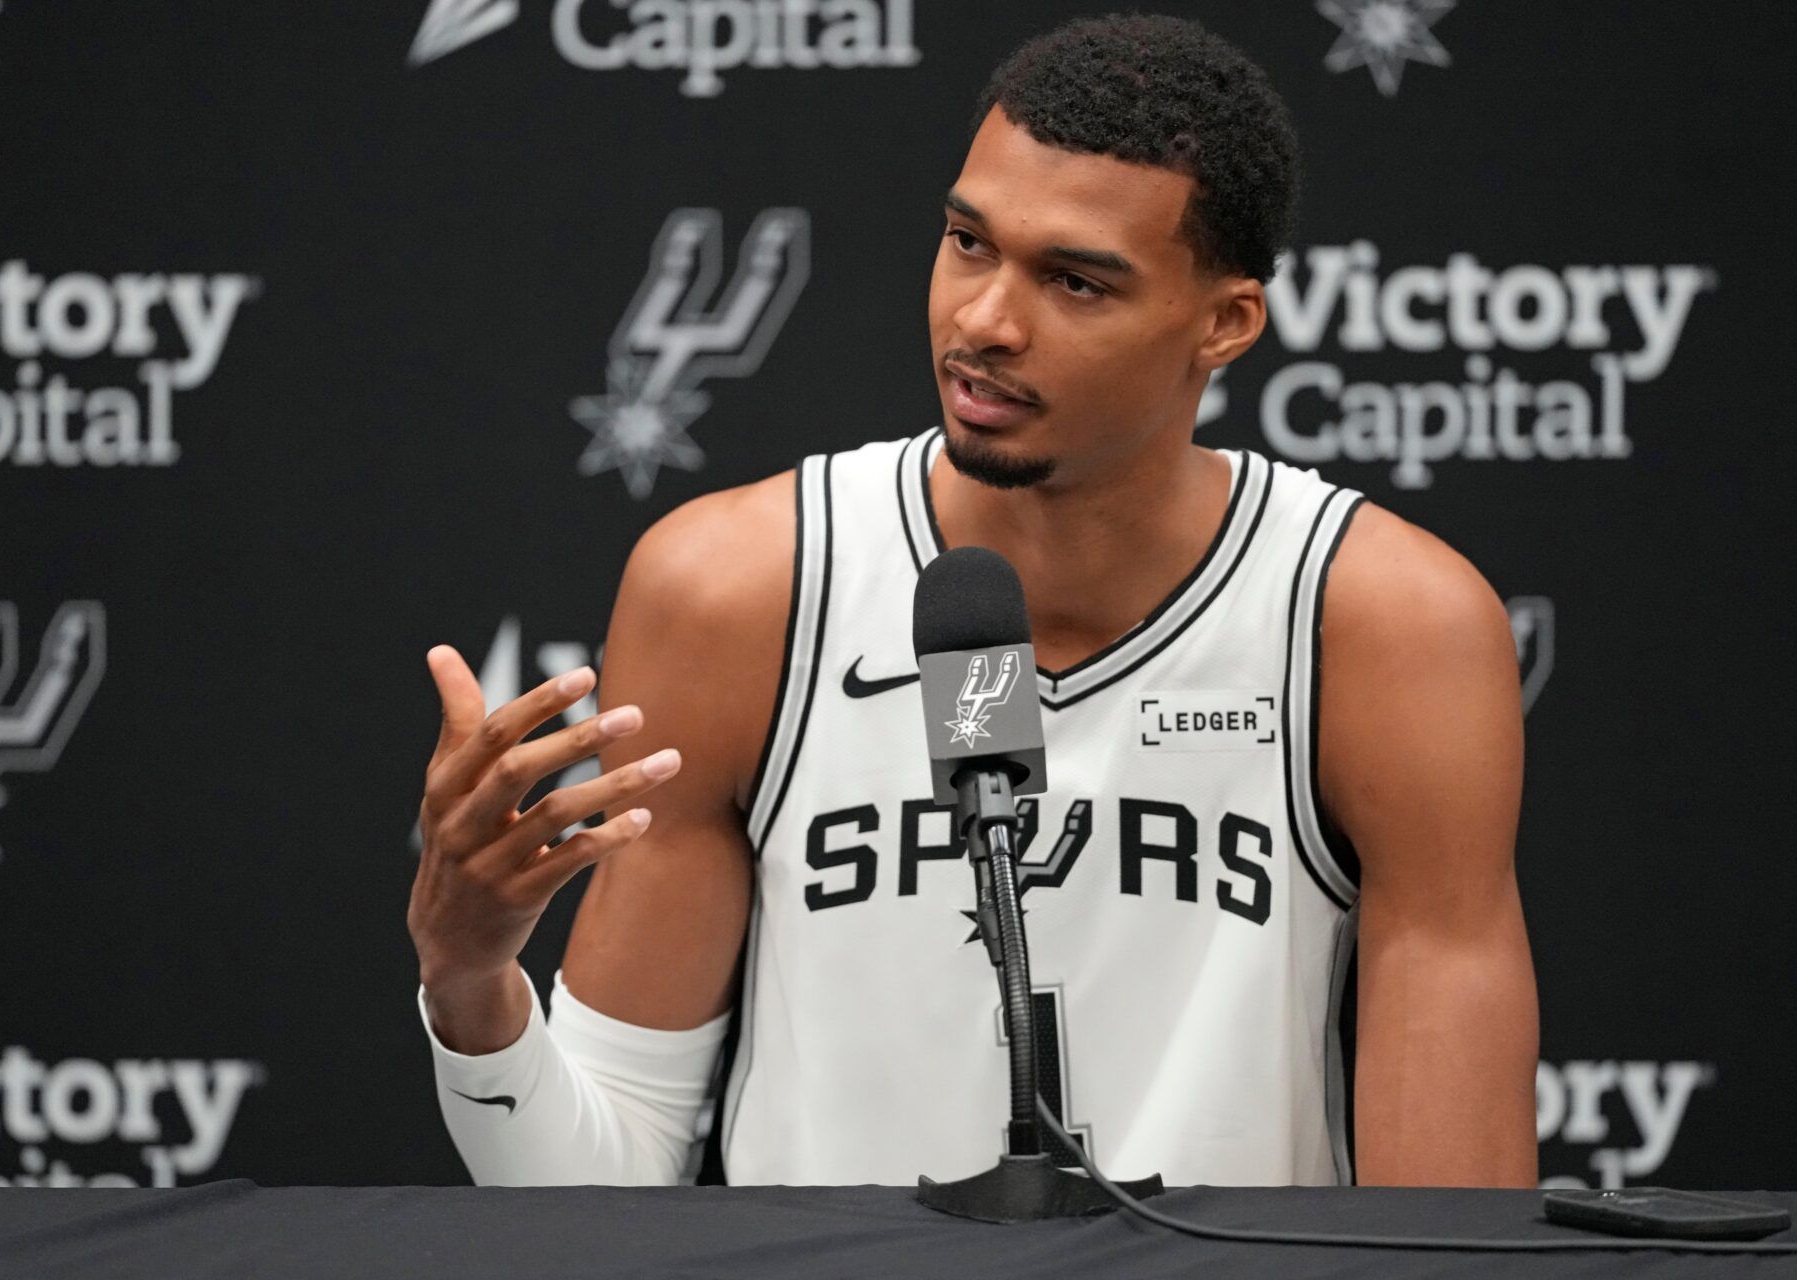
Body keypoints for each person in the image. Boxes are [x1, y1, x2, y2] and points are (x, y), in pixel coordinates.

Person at [408, 13, 1537, 1189]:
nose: (985, 322)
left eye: (1076, 281)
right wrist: (469, 981)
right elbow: (596, 1198)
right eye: (967, 242)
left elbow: (1446, 1230)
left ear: (1226, 321)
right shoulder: (740, 591)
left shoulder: (1385, 624)